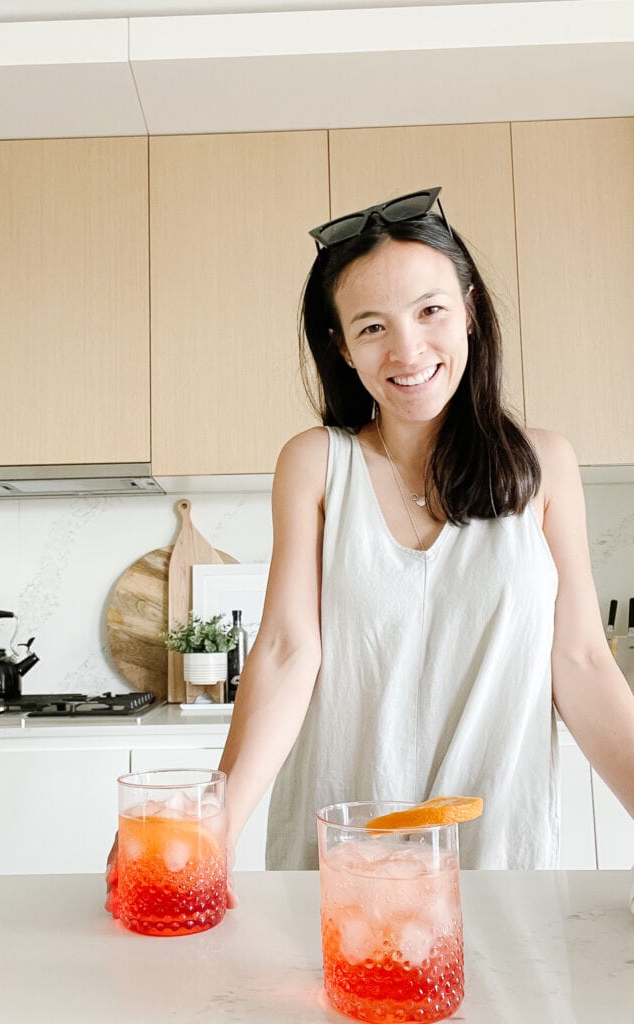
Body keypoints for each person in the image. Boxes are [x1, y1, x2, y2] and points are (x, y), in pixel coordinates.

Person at [215, 187, 634, 885]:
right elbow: (288, 651)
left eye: (430, 311)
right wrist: (212, 827)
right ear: (341, 347)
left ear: (469, 311)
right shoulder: (316, 463)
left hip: (499, 862)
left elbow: (584, 663)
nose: (408, 350)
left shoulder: (543, 466)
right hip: (342, 864)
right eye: (372, 326)